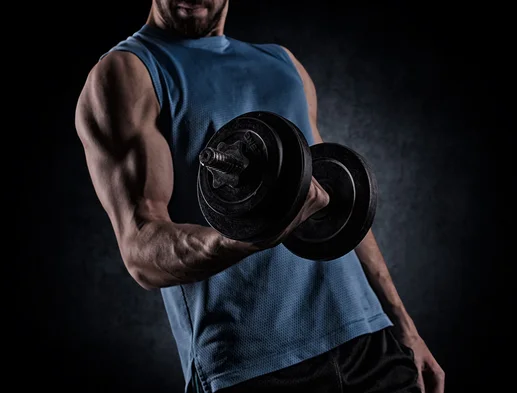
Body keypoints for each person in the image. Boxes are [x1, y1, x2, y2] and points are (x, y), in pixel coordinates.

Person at [74, 1, 445, 392]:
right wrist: (243, 236)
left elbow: (339, 205)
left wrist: (403, 324)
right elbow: (141, 247)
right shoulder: (129, 71)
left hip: (369, 341)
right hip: (252, 366)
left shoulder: (283, 64)